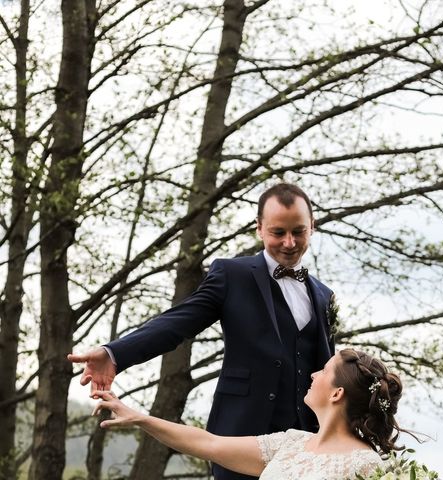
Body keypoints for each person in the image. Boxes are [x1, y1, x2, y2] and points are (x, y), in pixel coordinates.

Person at [68, 183, 336, 480]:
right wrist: (114, 353)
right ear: (259, 228)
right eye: (278, 232)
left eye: (298, 231)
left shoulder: (323, 294)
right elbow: (177, 323)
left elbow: (329, 370)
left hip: (307, 445)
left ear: (312, 226)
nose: (289, 242)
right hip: (238, 436)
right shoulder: (231, 275)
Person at [92, 349, 405, 480]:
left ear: (337, 393)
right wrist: (138, 418)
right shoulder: (291, 443)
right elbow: (209, 444)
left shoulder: (366, 465)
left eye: (323, 371)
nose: (312, 375)